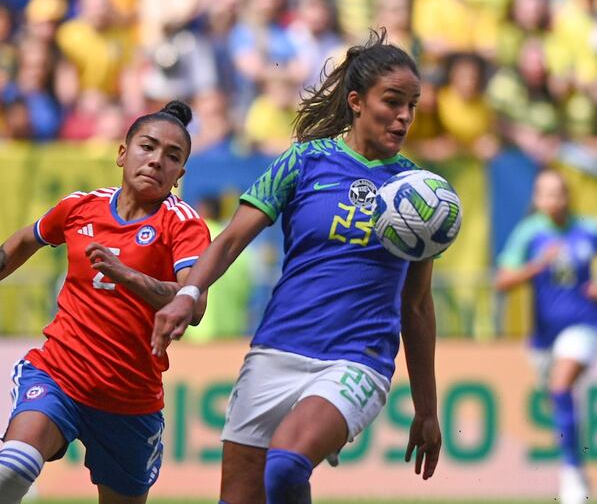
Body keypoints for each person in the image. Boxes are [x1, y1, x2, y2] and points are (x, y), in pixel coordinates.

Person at [153, 29, 442, 504]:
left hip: (357, 358)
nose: (405, 116)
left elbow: (417, 305)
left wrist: (427, 409)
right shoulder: (304, 161)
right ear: (356, 101)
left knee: (286, 467)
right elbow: (229, 241)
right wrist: (189, 293)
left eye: (412, 104)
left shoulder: (420, 192)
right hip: (276, 349)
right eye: (393, 101)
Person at [0, 101, 211, 504]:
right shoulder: (82, 206)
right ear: (122, 153)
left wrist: (127, 275)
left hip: (130, 398)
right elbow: (24, 240)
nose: (156, 161)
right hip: (59, 374)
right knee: (15, 464)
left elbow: (195, 304)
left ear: (180, 173)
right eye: (147, 147)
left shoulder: (182, 223)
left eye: (172, 156)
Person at [495, 168, 597, 504]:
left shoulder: (589, 229)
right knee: (557, 395)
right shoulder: (530, 234)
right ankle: (576, 469)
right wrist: (536, 266)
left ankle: (572, 476)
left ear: (567, 196)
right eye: (544, 193)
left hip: (585, 324)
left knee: (562, 386)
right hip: (543, 338)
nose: (551, 199)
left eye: (556, 192)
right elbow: (502, 281)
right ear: (537, 199)